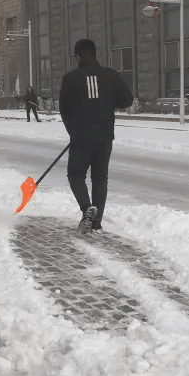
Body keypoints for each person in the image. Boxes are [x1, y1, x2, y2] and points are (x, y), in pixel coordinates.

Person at [59, 38, 134, 234]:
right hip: (104, 136)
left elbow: (64, 109)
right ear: (95, 53)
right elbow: (127, 99)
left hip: (81, 136)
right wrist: (108, 103)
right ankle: (97, 222)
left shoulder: (71, 78)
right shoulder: (111, 75)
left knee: (76, 175)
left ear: (77, 56)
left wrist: (73, 130)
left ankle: (86, 208)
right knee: (100, 179)